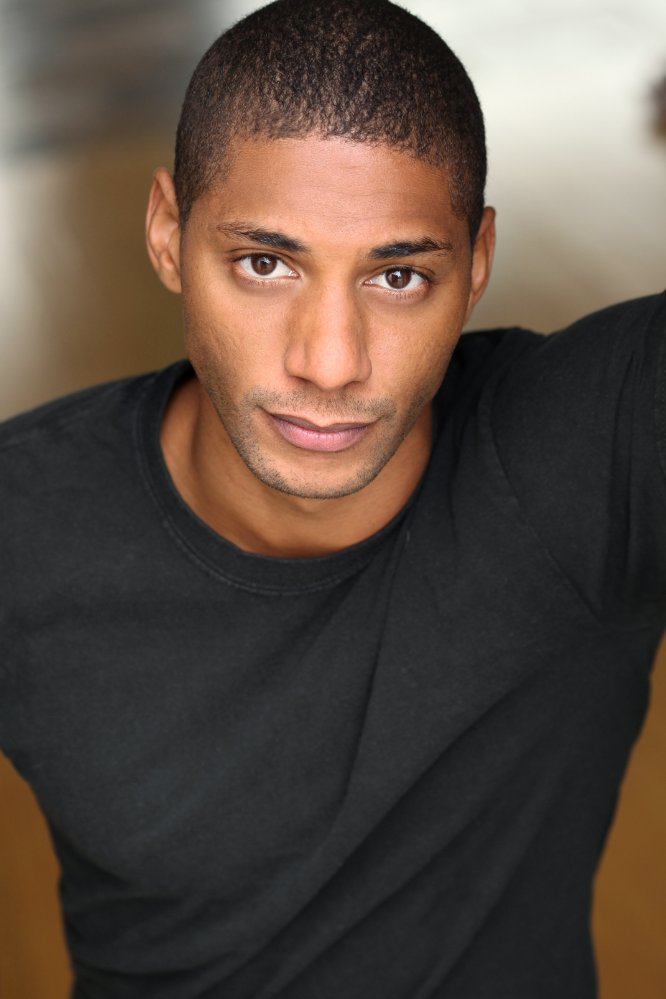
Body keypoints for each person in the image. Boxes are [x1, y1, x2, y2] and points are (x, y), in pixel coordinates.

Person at [1, 0, 664, 996]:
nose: (330, 361)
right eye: (265, 264)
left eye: (398, 277)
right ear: (168, 233)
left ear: (477, 263)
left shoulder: (591, 453)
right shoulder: (22, 525)